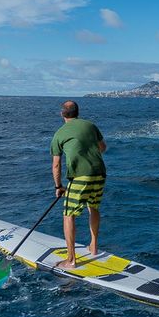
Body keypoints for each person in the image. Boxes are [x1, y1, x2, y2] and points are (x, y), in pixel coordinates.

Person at [50, 100, 107, 269]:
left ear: (62, 114)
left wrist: (58, 186)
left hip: (80, 177)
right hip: (99, 173)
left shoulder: (59, 134)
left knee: (69, 215)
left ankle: (71, 260)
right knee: (93, 207)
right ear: (78, 112)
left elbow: (56, 165)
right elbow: (102, 147)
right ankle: (94, 246)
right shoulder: (90, 126)